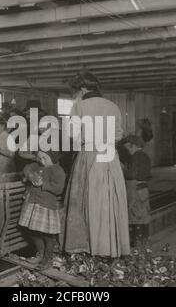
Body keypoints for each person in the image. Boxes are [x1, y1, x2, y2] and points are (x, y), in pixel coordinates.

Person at [60, 70, 130, 258]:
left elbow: (73, 137)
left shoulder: (79, 106)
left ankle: (87, 247)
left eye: (76, 91)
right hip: (109, 156)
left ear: (82, 89)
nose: (76, 95)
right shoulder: (113, 106)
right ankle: (108, 247)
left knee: (84, 199)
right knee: (107, 200)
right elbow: (118, 135)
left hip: (88, 155)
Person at [18, 150, 66, 269]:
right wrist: (30, 176)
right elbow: (27, 167)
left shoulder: (58, 170)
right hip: (33, 203)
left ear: (53, 157)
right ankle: (40, 252)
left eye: (45, 158)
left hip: (45, 205)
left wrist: (43, 184)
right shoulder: (37, 165)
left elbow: (58, 188)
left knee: (48, 235)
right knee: (31, 230)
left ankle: (47, 259)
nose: (41, 161)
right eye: (39, 158)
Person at [120, 135, 152, 249]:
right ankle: (144, 242)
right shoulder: (145, 156)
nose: (127, 152)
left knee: (135, 215)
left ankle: (137, 244)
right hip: (144, 189)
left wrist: (123, 169)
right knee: (144, 215)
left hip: (135, 189)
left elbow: (132, 175)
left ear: (132, 146)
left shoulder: (135, 157)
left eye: (127, 149)